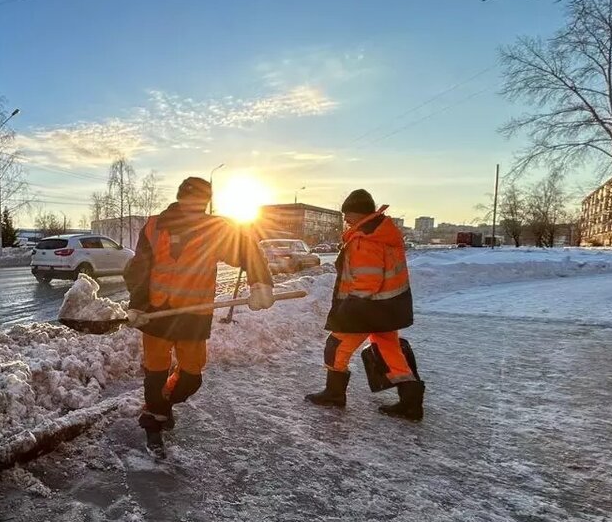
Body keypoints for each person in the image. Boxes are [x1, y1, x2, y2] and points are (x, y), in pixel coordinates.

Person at [123, 176, 275, 455]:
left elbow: (248, 250)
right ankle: (153, 422)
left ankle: (163, 405)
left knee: (192, 376)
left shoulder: (216, 229)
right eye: (189, 200)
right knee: (155, 372)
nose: (194, 207)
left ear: (206, 203)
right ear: (180, 198)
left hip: (194, 314)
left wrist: (260, 282)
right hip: (157, 312)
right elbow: (140, 267)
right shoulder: (155, 225)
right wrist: (138, 304)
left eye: (200, 202)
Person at [305, 189, 424, 420]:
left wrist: (350, 308)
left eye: (348, 214)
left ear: (359, 213)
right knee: (391, 351)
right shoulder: (381, 233)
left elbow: (367, 279)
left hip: (366, 308)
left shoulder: (365, 239)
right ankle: (411, 402)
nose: (346, 219)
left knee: (337, 345)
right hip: (387, 307)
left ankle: (334, 393)